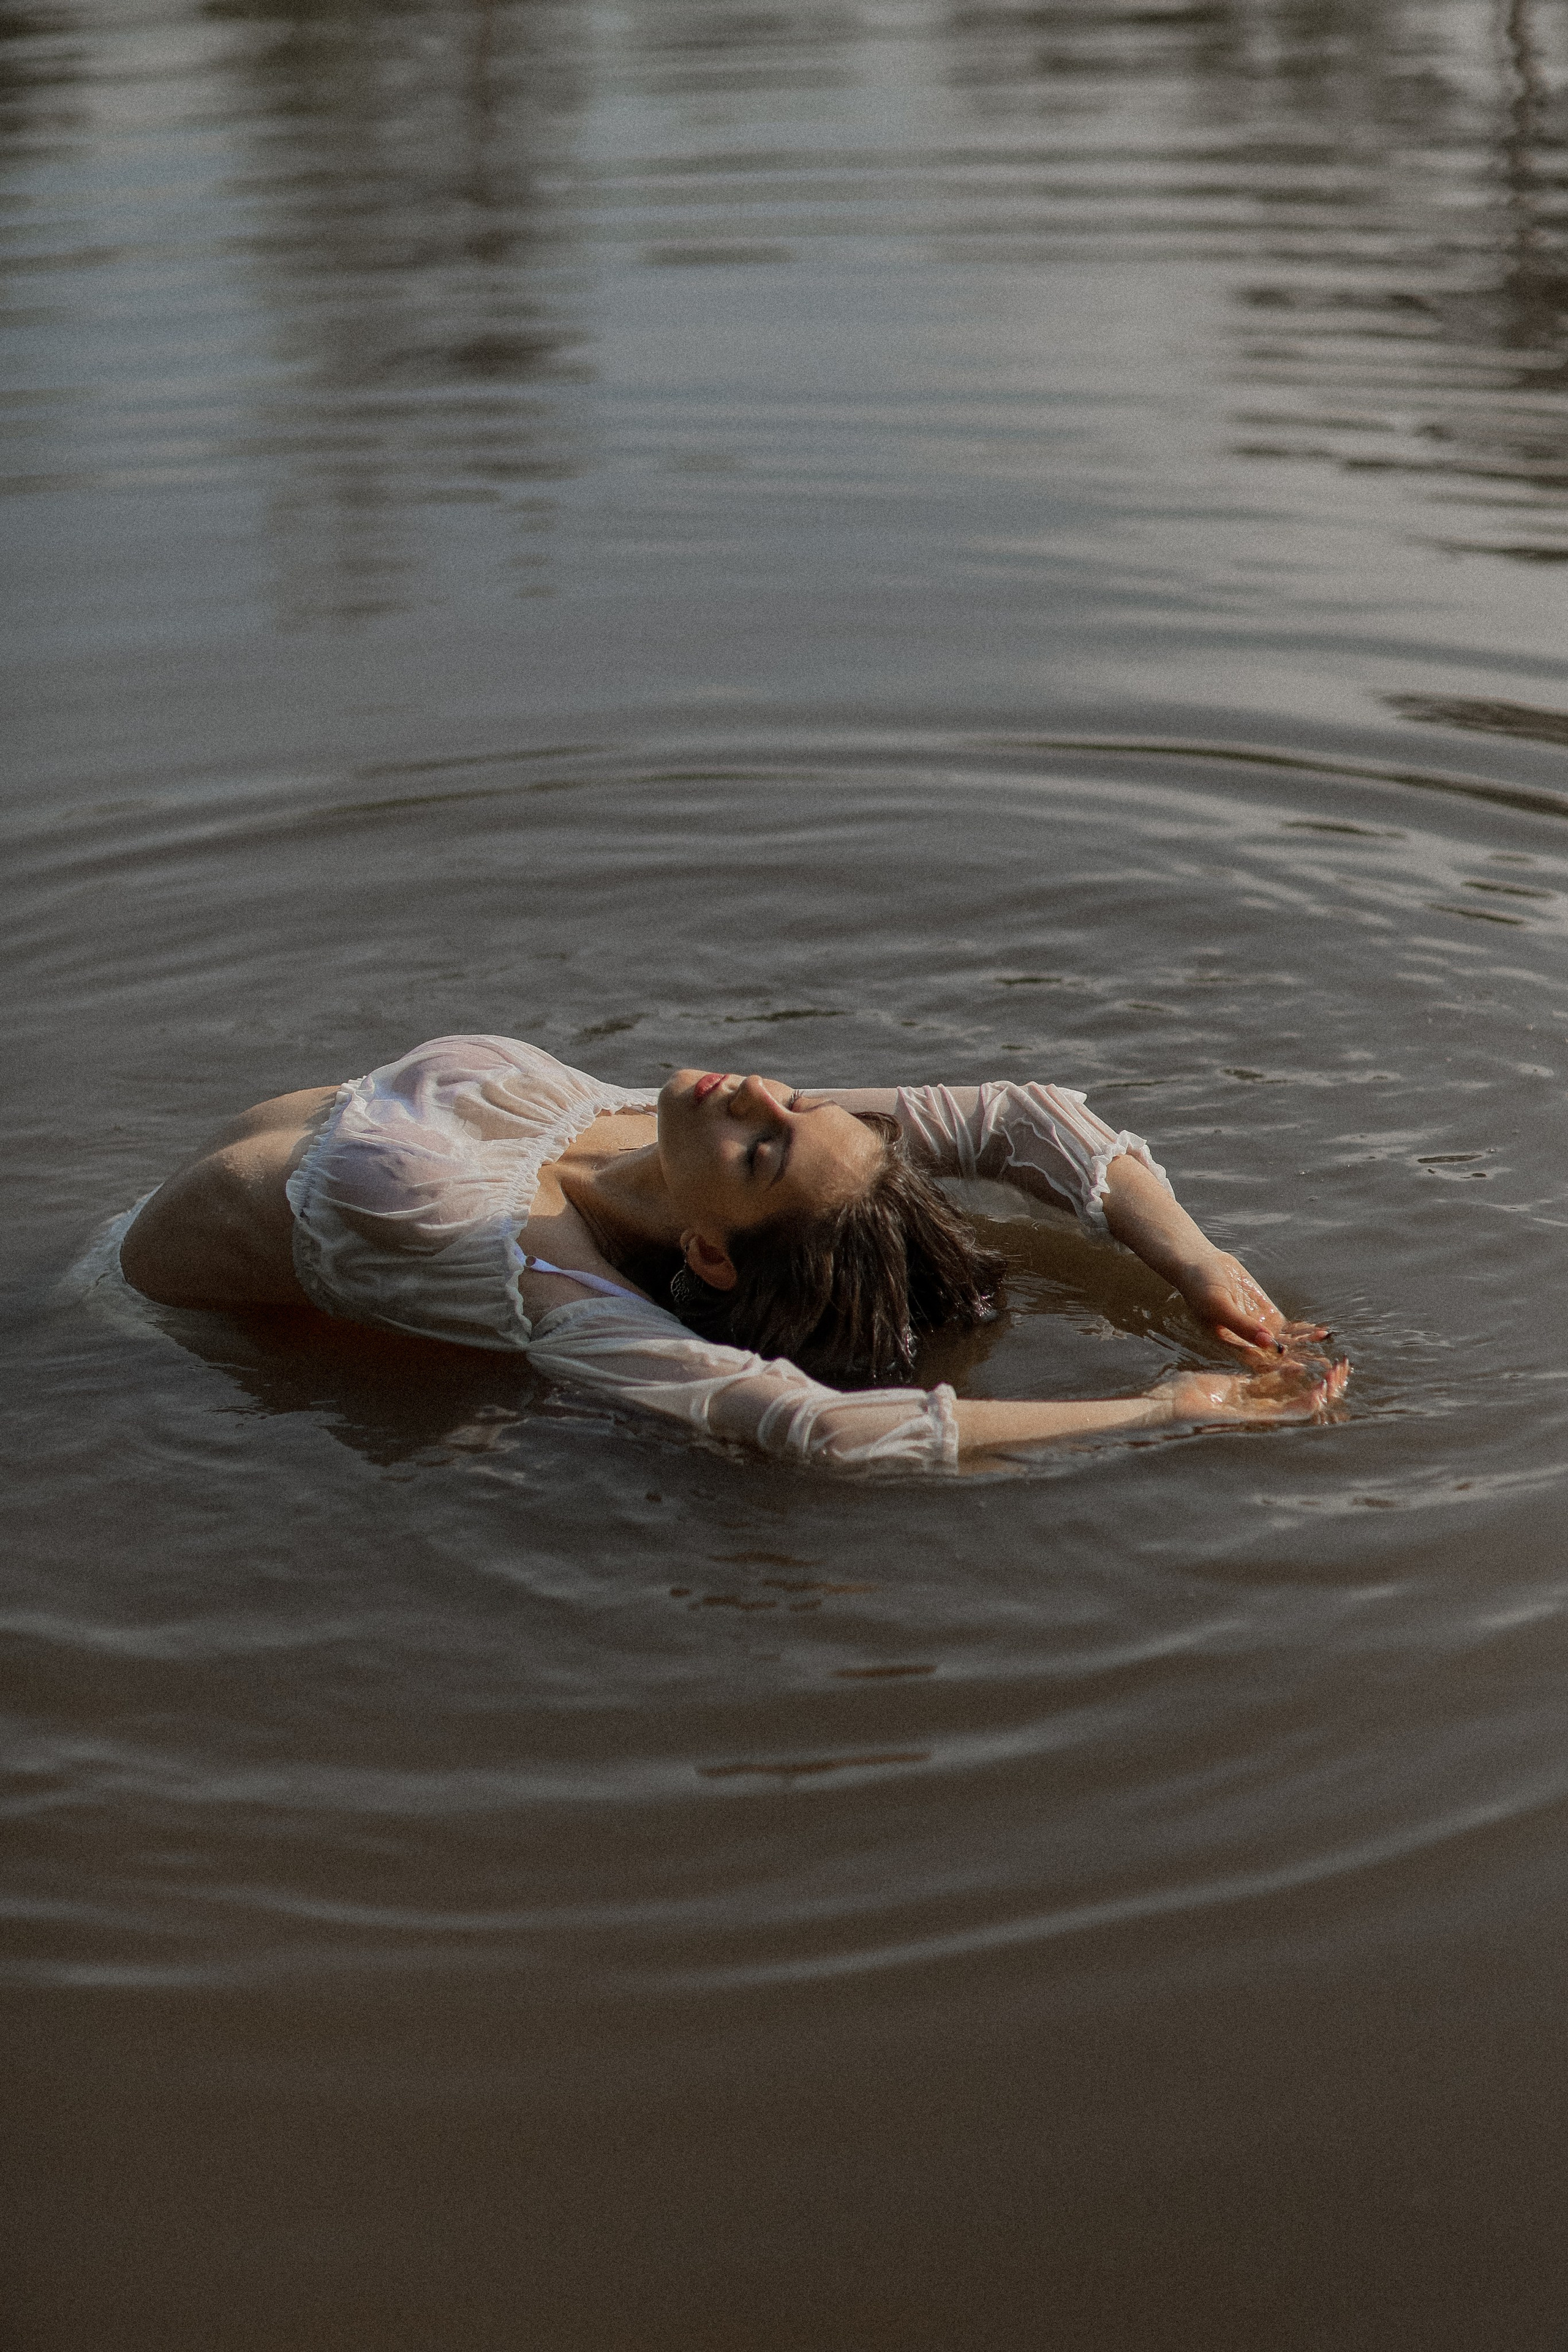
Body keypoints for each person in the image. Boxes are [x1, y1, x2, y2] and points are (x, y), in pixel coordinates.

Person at [118, 1032, 1346, 1469]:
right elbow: (1015, 1115)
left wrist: (1158, 1408)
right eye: (795, 1107)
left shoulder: (562, 1296)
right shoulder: (677, 1125)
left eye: (763, 1147)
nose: (756, 1092)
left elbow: (811, 1423)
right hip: (122, 1231)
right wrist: (1193, 1262)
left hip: (133, 1344)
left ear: (708, 1257)